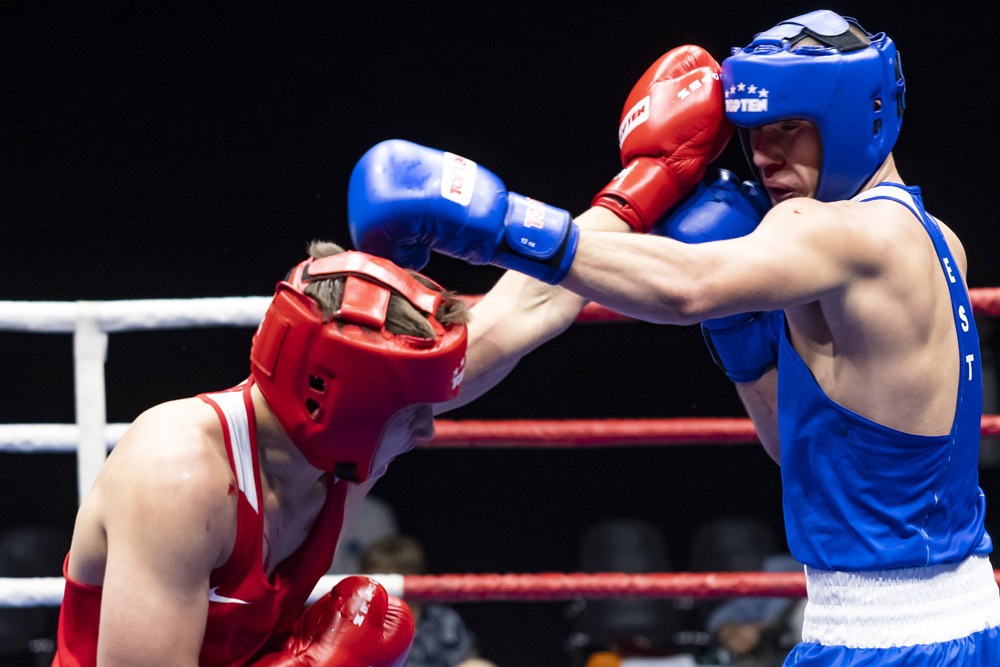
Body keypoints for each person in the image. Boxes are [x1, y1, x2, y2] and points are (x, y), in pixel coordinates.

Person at [347, 9, 1000, 665]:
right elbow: (805, 451)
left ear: (858, 118)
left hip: (888, 638)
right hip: (950, 615)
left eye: (789, 128)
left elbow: (686, 286)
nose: (763, 155)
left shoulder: (836, 232)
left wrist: (491, 222)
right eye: (754, 132)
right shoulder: (936, 239)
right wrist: (741, 332)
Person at [53, 242, 469, 666]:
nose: (427, 429)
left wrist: (511, 240)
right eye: (412, 411)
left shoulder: (332, 461)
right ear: (347, 409)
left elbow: (501, 335)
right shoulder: (178, 476)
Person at [360, 535, 488, 667]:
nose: (380, 588)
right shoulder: (358, 621)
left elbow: (468, 661)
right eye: (373, 579)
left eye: (388, 581)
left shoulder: (442, 619)